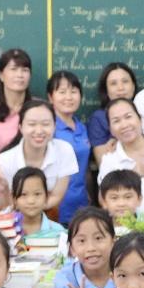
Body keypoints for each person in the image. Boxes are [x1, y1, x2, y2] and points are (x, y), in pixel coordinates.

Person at [0, 100, 78, 215]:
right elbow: (5, 207)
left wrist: (30, 208)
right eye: (32, 124)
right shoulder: (5, 160)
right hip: (15, 216)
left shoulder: (64, 150)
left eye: (46, 124)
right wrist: (5, 189)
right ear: (21, 127)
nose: (39, 131)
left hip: (49, 214)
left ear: (54, 126)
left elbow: (56, 196)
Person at [48, 71, 93, 226]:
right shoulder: (48, 128)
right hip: (55, 206)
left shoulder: (82, 127)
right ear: (50, 97)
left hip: (81, 203)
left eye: (73, 91)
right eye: (62, 92)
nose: (69, 97)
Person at [95, 98, 144, 185]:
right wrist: (136, 177)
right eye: (116, 121)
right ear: (111, 130)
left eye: (128, 117)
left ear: (140, 119)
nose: (124, 125)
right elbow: (109, 195)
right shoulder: (110, 161)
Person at [89, 62, 139, 165]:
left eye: (125, 81)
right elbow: (103, 163)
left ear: (133, 86)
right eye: (113, 83)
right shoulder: (98, 118)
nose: (120, 88)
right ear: (106, 90)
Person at [8, 167, 65, 241]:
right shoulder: (4, 229)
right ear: (14, 199)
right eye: (24, 194)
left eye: (37, 194)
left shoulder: (59, 232)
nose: (31, 201)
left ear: (46, 197)